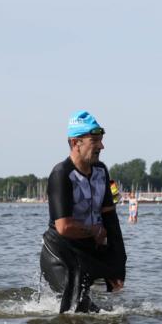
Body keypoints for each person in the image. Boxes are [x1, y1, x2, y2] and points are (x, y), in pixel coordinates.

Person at [40, 111, 126, 313]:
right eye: (94, 140)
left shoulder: (101, 171)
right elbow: (64, 227)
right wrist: (94, 231)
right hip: (59, 254)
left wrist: (118, 264)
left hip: (88, 252)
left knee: (104, 314)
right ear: (75, 143)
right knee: (78, 309)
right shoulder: (61, 174)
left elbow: (110, 219)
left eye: (101, 140)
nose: (101, 146)